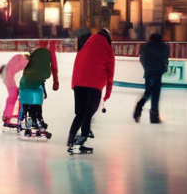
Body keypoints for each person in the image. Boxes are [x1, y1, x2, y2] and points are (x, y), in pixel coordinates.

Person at [68, 26, 115, 154]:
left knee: (80, 113)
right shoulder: (107, 49)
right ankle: (81, 139)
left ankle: (71, 139)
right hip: (94, 85)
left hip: (78, 84)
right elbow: (110, 74)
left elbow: (77, 66)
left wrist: (75, 85)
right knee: (89, 113)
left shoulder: (85, 46)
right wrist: (107, 94)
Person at [17, 47, 59, 135]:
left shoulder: (35, 66)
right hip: (28, 85)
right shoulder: (40, 67)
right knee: (30, 104)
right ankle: (30, 121)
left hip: (30, 84)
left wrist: (43, 90)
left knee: (33, 104)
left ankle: (34, 121)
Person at [134, 33, 170, 124]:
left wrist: (147, 69)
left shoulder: (145, 47)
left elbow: (142, 59)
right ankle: (153, 115)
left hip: (149, 72)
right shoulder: (163, 47)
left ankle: (140, 107)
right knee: (155, 94)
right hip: (157, 73)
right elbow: (165, 57)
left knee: (149, 91)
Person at [0, 52, 28, 127]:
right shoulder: (22, 61)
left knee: (15, 97)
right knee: (14, 97)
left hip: (11, 80)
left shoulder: (19, 59)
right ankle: (11, 117)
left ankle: (13, 116)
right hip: (12, 81)